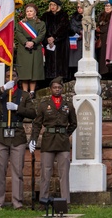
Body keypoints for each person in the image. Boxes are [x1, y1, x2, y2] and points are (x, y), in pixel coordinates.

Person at [0, 70, 35, 209]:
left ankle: (17, 202)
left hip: (17, 135)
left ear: (18, 78)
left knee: (18, 171)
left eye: (13, 76)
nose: (10, 78)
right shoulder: (0, 92)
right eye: (7, 76)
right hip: (1, 135)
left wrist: (18, 108)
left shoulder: (24, 95)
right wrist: (2, 89)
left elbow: (32, 113)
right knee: (0, 170)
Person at [30, 77, 77, 205]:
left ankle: (65, 202)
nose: (57, 90)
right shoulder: (44, 105)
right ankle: (43, 201)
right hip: (48, 141)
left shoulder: (68, 104)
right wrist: (33, 139)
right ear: (50, 89)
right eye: (55, 88)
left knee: (64, 173)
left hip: (62, 142)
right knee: (46, 172)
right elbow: (37, 124)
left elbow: (73, 123)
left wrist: (65, 134)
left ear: (62, 89)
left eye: (59, 88)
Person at [14, 3, 46, 94]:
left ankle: (32, 91)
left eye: (31, 11)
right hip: (24, 49)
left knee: (34, 71)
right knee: (24, 71)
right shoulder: (21, 24)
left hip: (36, 48)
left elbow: (42, 34)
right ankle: (24, 92)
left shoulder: (41, 23)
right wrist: (26, 42)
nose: (29, 13)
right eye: (27, 11)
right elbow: (18, 34)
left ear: (35, 13)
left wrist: (33, 42)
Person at [42, 0, 71, 81]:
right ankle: (50, 79)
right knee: (50, 60)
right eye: (51, 5)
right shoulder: (45, 16)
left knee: (61, 61)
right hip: (49, 42)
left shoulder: (63, 15)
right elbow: (43, 28)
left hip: (61, 42)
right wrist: (48, 38)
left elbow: (64, 28)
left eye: (54, 5)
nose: (52, 7)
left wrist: (54, 37)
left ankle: (61, 78)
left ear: (58, 6)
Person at [96, 0, 112, 77]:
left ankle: (110, 73)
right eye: (106, 6)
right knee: (101, 56)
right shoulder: (101, 15)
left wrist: (101, 30)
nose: (107, 7)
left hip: (110, 37)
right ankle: (103, 72)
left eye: (109, 6)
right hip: (102, 38)